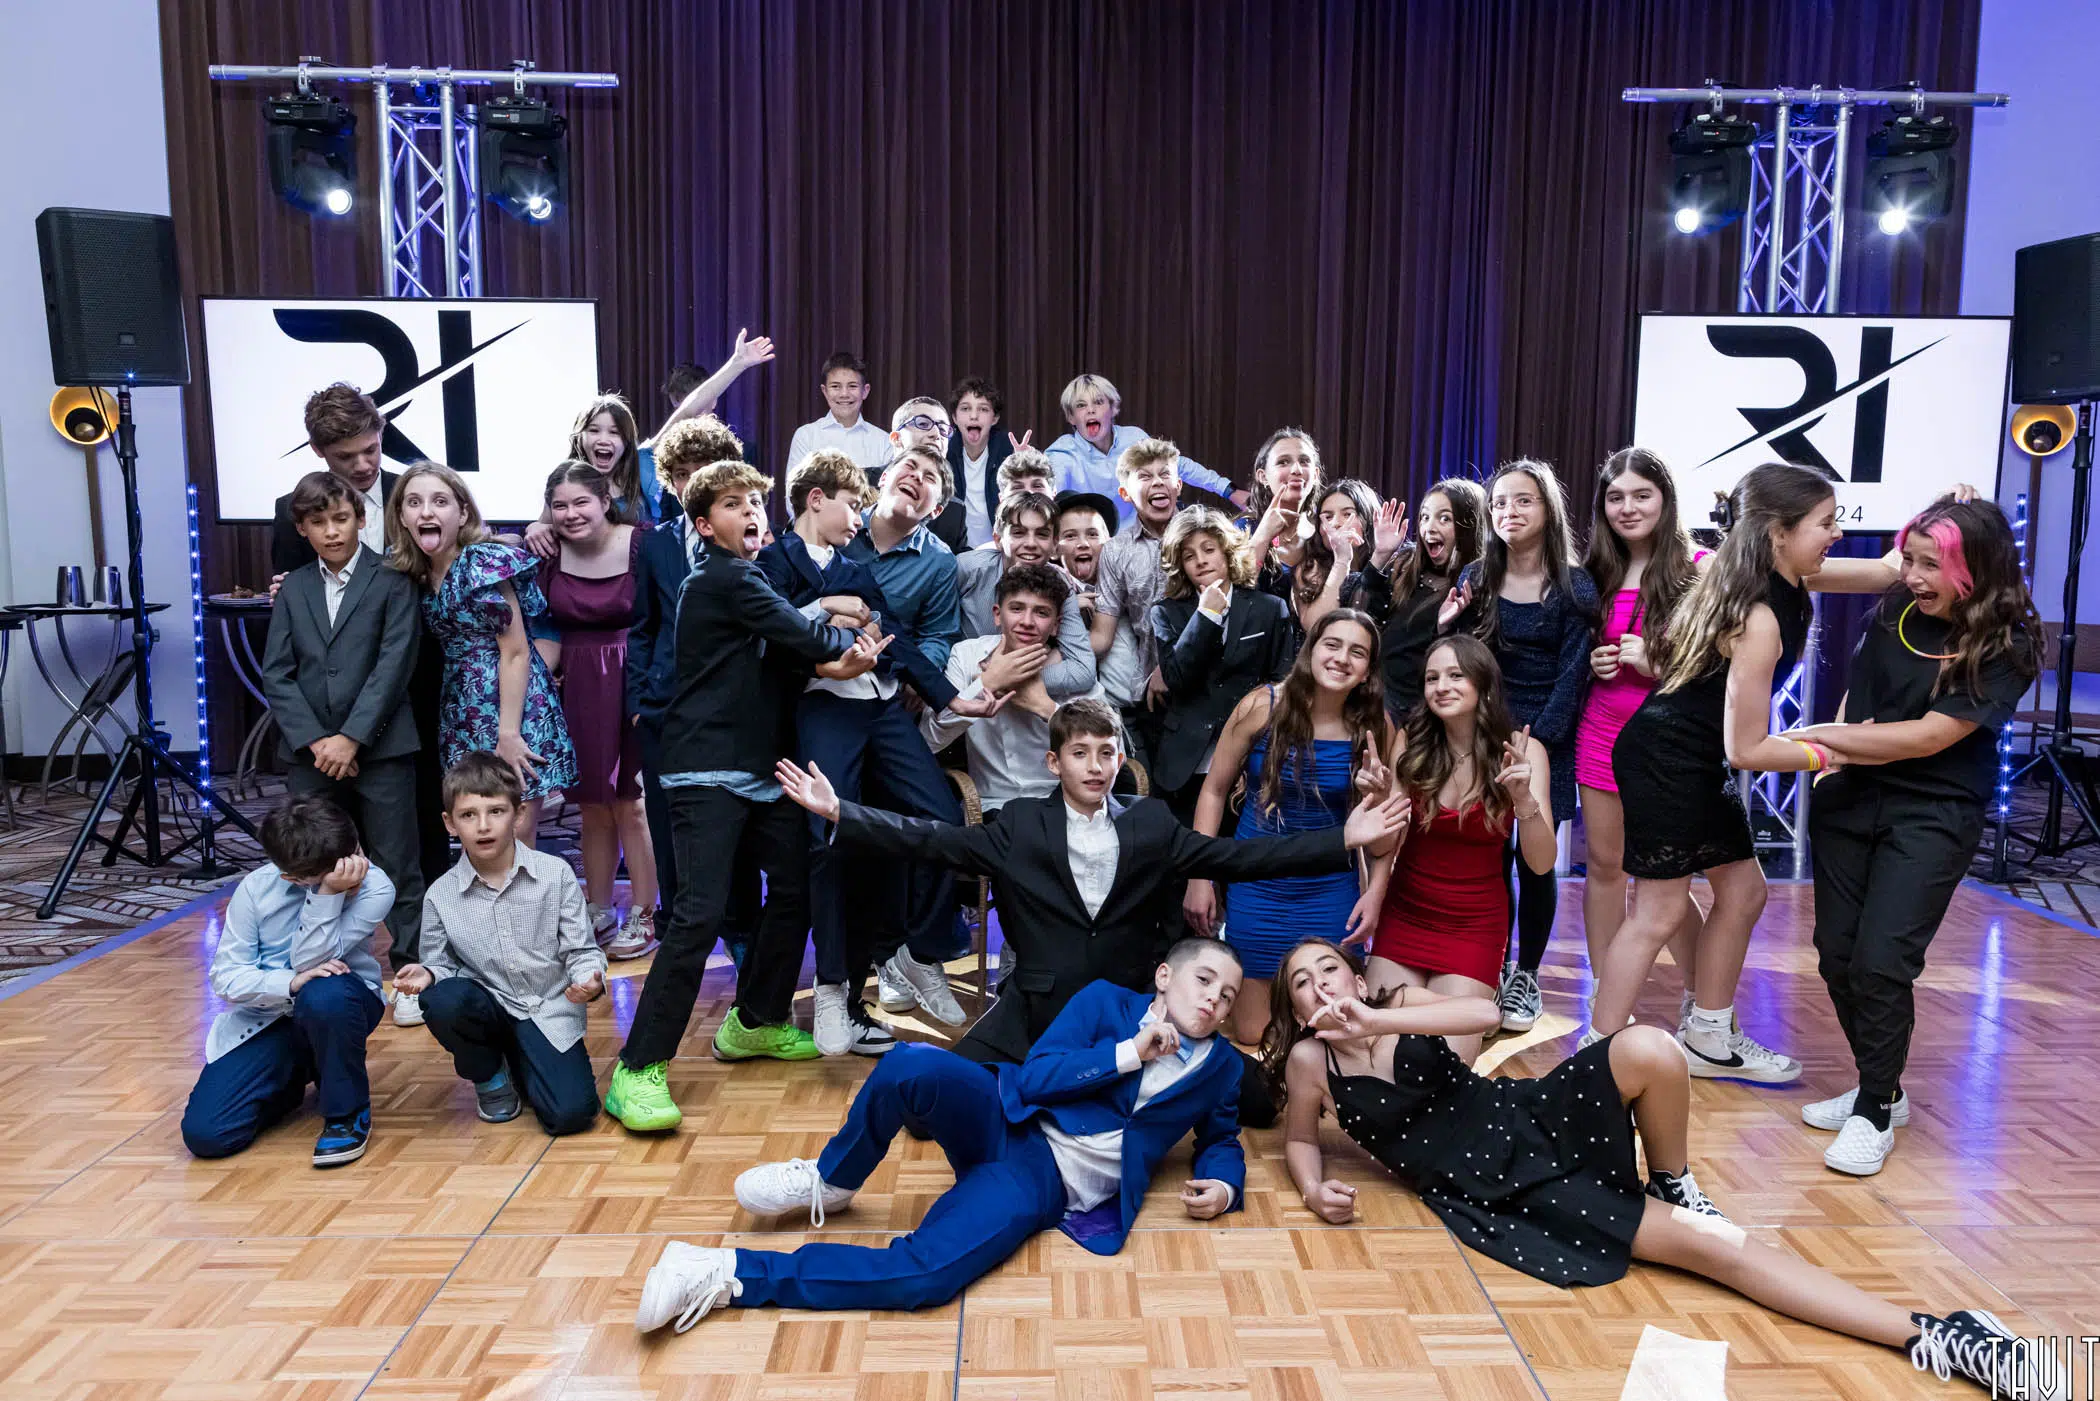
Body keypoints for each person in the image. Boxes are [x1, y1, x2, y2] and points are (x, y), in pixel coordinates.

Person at [1265, 938, 2049, 1398]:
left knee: (1649, 1047)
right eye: (1301, 983)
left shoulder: (1397, 999)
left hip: (1526, 1114)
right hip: (1503, 1189)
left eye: (1328, 968)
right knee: (1719, 1252)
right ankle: (1939, 1336)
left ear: (1356, 976)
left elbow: (1484, 1013)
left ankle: (1673, 1174)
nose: (1319, 985)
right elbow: (1303, 1139)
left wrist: (1379, 1016)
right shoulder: (1309, 1065)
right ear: (1295, 1009)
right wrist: (1309, 1184)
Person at [773, 698, 1411, 1110]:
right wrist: (840, 812)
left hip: (1131, 1005)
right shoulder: (1018, 826)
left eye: (1107, 752)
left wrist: (1343, 838)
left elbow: (1238, 860)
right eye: (1080, 753)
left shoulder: (1151, 822)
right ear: (1055, 761)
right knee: (929, 1107)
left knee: (1257, 1110)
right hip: (1040, 1005)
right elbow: (931, 839)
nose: (1096, 765)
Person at [632, 945, 1251, 1329]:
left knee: (922, 1279)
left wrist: (1224, 1182)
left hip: (1042, 1180)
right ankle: (832, 1178)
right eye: (1204, 981)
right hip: (1007, 1115)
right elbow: (1036, 1076)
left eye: (1226, 997)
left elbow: (1222, 1137)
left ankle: (722, 1272)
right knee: (908, 1065)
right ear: (1166, 975)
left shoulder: (1223, 1067)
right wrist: (1127, 1054)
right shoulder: (1107, 1004)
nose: (1215, 1001)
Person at [1596, 462, 1901, 1077]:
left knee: (1745, 891)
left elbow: (1887, 572)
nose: (1837, 533)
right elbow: (1748, 750)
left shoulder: (1791, 575)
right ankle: (1595, 1055)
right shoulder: (1759, 614)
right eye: (1825, 523)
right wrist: (1833, 750)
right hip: (1668, 759)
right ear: (1778, 533)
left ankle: (1708, 1035)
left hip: (1683, 755)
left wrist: (1943, 509)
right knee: (1657, 911)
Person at [602, 460, 880, 1132]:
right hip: (706, 772)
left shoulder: (749, 579)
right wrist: (843, 643)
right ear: (704, 524)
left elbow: (787, 640)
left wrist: (827, 642)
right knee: (697, 916)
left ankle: (755, 1020)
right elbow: (804, 637)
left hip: (760, 770)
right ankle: (636, 1069)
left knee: (793, 887)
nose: (752, 511)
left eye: (756, 500)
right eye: (732, 504)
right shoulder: (719, 579)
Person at [1789, 498, 2040, 1175]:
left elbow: (1932, 734)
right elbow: (1858, 687)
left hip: (1933, 811)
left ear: (1976, 568)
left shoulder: (2007, 642)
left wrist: (1821, 740)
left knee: (1881, 959)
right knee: (1837, 955)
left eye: (1933, 564)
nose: (1915, 575)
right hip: (1853, 798)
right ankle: (1885, 1087)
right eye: (1912, 559)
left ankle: (1873, 1111)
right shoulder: (1898, 604)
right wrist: (1834, 758)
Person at [758, 448, 998, 1054]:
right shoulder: (774, 560)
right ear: (818, 499)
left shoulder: (854, 565)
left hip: (884, 709)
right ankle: (836, 987)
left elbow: (900, 642)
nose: (858, 517)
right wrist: (825, 609)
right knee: (830, 841)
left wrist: (953, 699)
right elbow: (768, 633)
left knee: (942, 817)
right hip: (826, 708)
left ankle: (912, 951)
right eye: (852, 504)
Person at [1184, 608, 1394, 1046]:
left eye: (1357, 652)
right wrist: (1200, 875)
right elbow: (1214, 790)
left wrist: (1375, 894)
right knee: (1253, 1032)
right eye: (1332, 645)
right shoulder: (1263, 705)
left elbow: (1384, 831)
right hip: (1258, 881)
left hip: (1329, 888)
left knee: (1331, 1026)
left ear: (1368, 670)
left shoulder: (1374, 726)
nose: (1341, 658)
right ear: (1311, 650)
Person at [259, 470, 426, 1013]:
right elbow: (277, 673)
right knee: (311, 860)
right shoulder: (295, 587)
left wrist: (351, 738)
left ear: (361, 518)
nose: (331, 531)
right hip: (312, 755)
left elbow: (393, 665)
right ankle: (315, 967)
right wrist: (317, 742)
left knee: (398, 862)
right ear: (301, 528)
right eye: (317, 522)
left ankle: (409, 973)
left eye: (341, 518)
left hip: (381, 747)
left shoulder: (393, 578)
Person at [1445, 459, 1597, 1035]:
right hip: (1483, 728)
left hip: (1546, 736)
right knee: (1485, 853)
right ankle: (1487, 963)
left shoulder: (1575, 583)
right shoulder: (1478, 574)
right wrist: (1484, 728)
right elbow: (1461, 657)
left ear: (1547, 510)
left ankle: (1525, 974)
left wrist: (1538, 739)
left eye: (1523, 501)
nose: (1510, 512)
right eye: (1501, 502)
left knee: (1535, 859)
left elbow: (1573, 671)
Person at [1357, 636, 1555, 1064]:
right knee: (1376, 1050)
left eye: (1454, 675)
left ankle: (1486, 990)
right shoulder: (1412, 744)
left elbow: (1542, 863)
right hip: (1406, 914)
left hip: (1474, 926)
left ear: (1484, 686)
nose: (1440, 686)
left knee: (1444, 1063)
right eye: (1431, 678)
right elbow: (1383, 846)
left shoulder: (1525, 752)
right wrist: (1374, 806)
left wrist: (1524, 801)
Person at [391, 752, 606, 1137]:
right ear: (450, 823)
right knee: (441, 1000)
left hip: (547, 1010)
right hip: (487, 1005)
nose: (484, 826)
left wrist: (589, 980)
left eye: (496, 811)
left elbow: (581, 950)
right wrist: (426, 973)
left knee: (572, 1115)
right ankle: (489, 1076)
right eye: (468, 815)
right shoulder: (440, 895)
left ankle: (522, 1059)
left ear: (519, 814)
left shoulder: (554, 874)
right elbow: (441, 964)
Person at [179, 795, 392, 1167]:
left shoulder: (374, 886)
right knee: (208, 1135)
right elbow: (226, 978)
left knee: (323, 990)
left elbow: (315, 960)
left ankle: (346, 1114)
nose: (356, 867)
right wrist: (288, 984)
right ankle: (295, 1076)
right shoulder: (255, 889)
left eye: (354, 851)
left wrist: (329, 894)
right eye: (337, 870)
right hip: (266, 1018)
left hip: (342, 1005)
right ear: (291, 877)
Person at [1573, 449, 1704, 1026]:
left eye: (1641, 494)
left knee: (1665, 874)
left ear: (1665, 498)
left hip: (1669, 740)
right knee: (1604, 865)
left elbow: (1724, 662)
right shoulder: (1593, 571)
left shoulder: (1699, 567)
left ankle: (1706, 1005)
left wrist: (1661, 663)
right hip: (1601, 730)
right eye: (1615, 496)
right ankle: (1609, 999)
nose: (1627, 507)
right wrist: (1594, 663)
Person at [387, 462, 578, 845]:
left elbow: (516, 651)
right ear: (402, 518)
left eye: (439, 501)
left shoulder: (481, 564)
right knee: (477, 831)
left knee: (515, 829)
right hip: (460, 709)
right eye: (414, 502)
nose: (426, 511)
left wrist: (508, 733)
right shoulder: (417, 575)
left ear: (462, 513)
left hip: (511, 707)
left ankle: (526, 908)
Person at [625, 415, 750, 962]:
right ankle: (678, 946)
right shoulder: (654, 545)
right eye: (680, 473)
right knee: (668, 826)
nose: (691, 480)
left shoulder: (756, 537)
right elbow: (642, 627)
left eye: (705, 470)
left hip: (733, 710)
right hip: (665, 709)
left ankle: (744, 936)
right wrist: (636, 704)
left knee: (738, 828)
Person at [540, 463, 656, 949]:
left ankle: (646, 912)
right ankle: (598, 907)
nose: (570, 514)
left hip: (635, 676)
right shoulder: (545, 552)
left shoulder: (643, 543)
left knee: (632, 805)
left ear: (604, 499)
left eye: (580, 502)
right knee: (590, 806)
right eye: (560, 506)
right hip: (580, 685)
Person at [1149, 507, 1293, 820]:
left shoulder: (1270, 609)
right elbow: (1176, 678)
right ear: (1180, 566)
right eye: (1189, 556)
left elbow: (1280, 684)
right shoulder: (1165, 612)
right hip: (1184, 763)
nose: (1200, 560)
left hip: (1251, 758)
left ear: (1227, 553)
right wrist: (1206, 616)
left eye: (1208, 549)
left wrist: (1256, 754)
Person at [921, 564, 1101, 812]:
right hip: (992, 807)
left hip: (1064, 803)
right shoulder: (966, 655)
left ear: (1057, 624)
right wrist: (987, 683)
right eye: (1016, 609)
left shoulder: (1070, 667)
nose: (1027, 622)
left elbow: (1110, 750)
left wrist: (1047, 708)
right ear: (997, 614)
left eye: (1041, 612)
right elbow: (929, 740)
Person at [1090, 438, 1186, 767]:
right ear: (1125, 493)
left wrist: (1169, 667)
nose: (1157, 482)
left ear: (1178, 484)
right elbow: (1103, 635)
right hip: (1154, 694)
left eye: (1164, 475)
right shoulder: (1116, 551)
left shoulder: (1204, 534)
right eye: (1144, 477)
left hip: (1207, 684)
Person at [1356, 479, 1487, 716]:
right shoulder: (1404, 565)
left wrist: (1443, 627)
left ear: (1468, 525)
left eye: (1444, 518)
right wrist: (1380, 556)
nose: (1430, 527)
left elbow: (1465, 671)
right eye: (1425, 517)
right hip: (1373, 697)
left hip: (1417, 712)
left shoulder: (1474, 586)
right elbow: (1359, 619)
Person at [1043, 373, 1245, 520]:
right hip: (1089, 547)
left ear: (1113, 409)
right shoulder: (1062, 452)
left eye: (1098, 402)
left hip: (1138, 542)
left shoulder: (1134, 438)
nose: (1090, 411)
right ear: (1071, 417)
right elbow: (1049, 488)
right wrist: (1028, 468)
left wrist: (1229, 491)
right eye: (1081, 405)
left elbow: (1177, 465)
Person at [271, 384, 397, 575]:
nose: (363, 466)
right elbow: (289, 587)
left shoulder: (414, 496)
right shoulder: (291, 510)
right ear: (317, 449)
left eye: (370, 450)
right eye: (345, 457)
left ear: (381, 434)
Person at [640, 329, 777, 503]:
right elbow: (686, 412)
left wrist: (737, 364)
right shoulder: (647, 458)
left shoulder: (738, 450)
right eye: (683, 474)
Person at [1290, 478, 1381, 640]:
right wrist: (1342, 560)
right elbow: (1315, 627)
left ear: (1368, 518)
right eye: (1328, 517)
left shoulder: (1389, 563)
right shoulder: (1310, 568)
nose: (1336, 524)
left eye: (1347, 514)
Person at [786, 351, 892, 480]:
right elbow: (794, 494)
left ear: (865, 391)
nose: (844, 394)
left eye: (852, 386)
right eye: (835, 386)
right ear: (825, 391)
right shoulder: (806, 436)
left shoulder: (884, 442)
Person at [947, 375, 1022, 548]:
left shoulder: (1008, 450)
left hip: (1000, 549)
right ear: (954, 418)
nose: (974, 416)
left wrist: (1025, 467)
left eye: (983, 409)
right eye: (965, 409)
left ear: (994, 418)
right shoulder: (944, 452)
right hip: (956, 552)